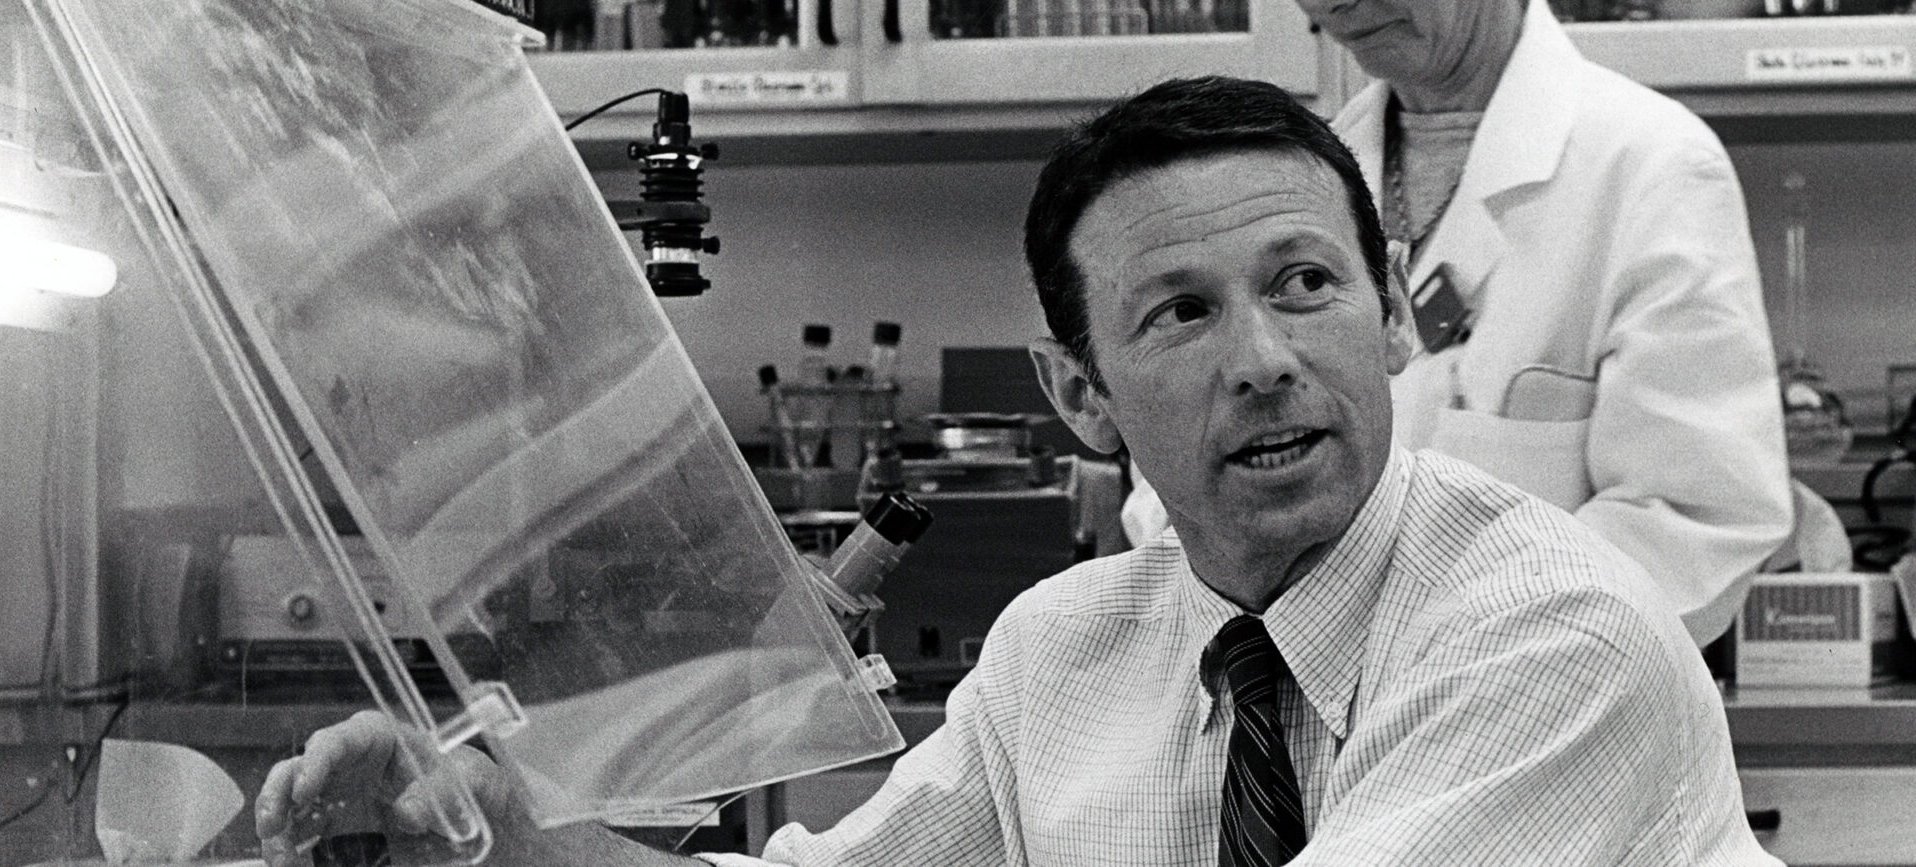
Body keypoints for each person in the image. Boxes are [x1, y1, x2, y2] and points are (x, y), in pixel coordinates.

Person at [257, 77, 1778, 866]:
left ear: (1391, 323)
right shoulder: (1066, 653)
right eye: (1180, 312)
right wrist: (497, 843)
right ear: (1080, 394)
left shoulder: (1544, 634)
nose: (1261, 356)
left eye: (1307, 283)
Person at [1121, 0, 1793, 650]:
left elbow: (1696, 523)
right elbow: (1177, 478)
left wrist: (1440, 664)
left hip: (1538, 715)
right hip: (1288, 712)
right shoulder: (1302, 174)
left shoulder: (1649, 165)